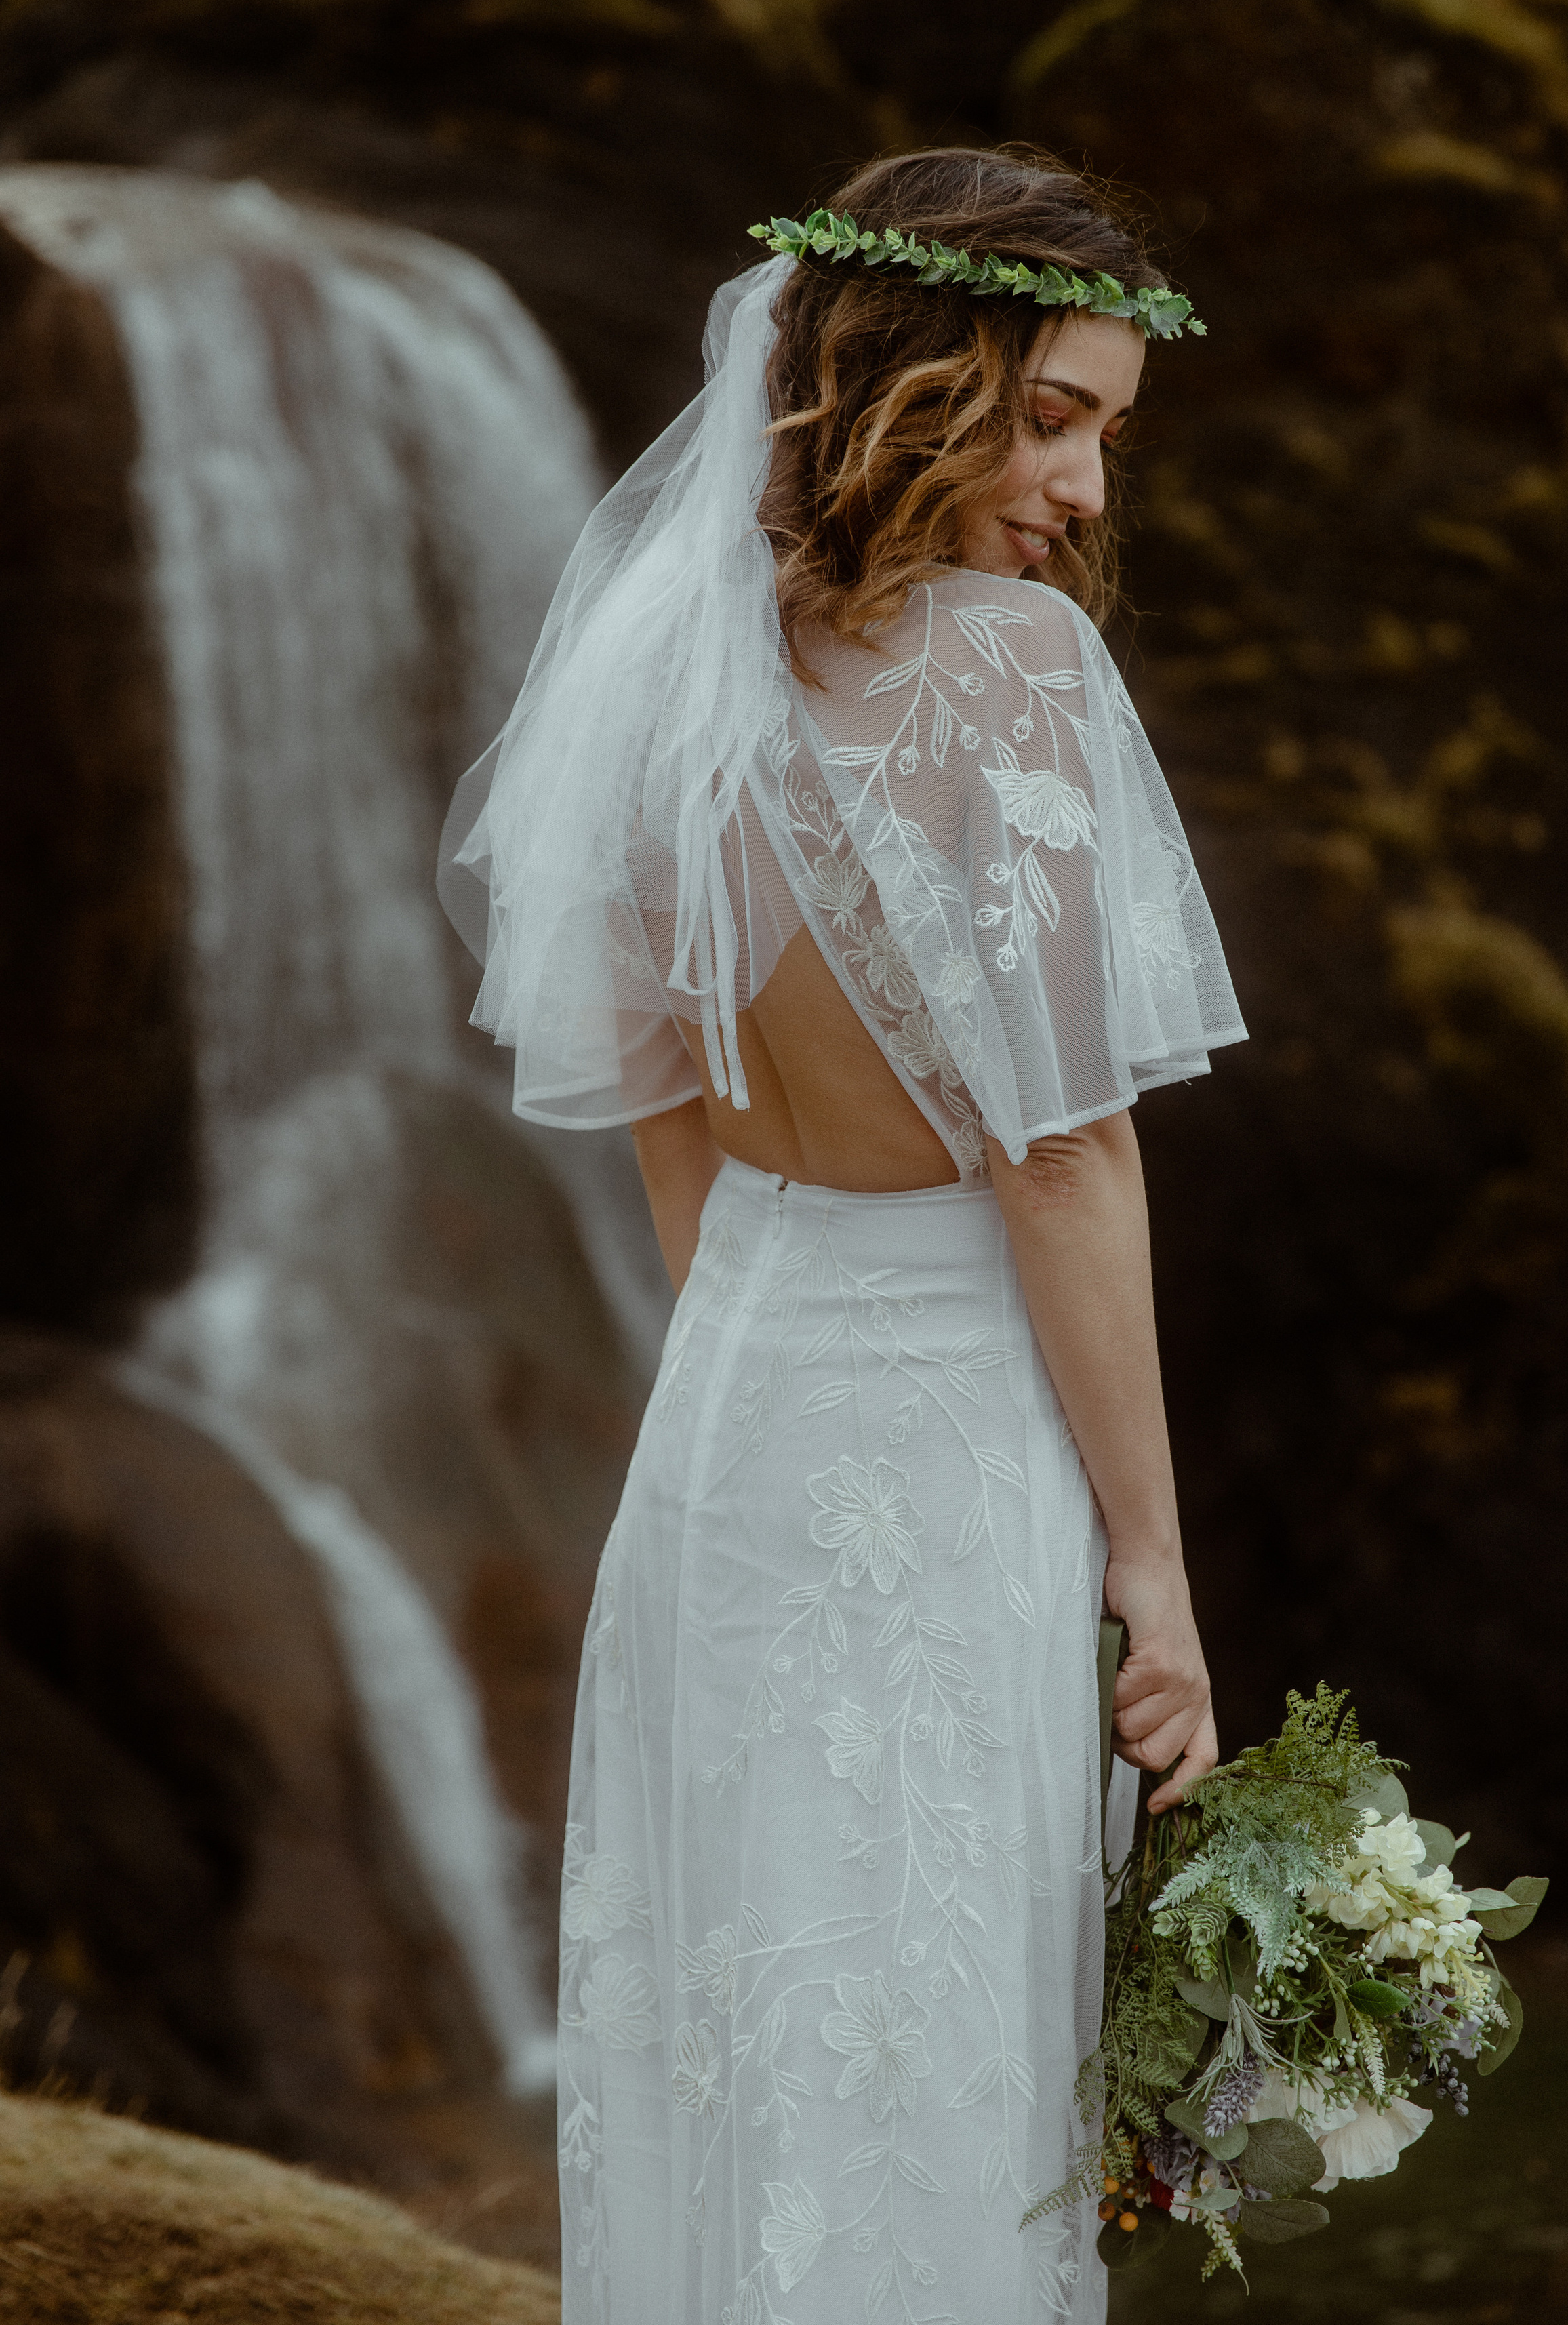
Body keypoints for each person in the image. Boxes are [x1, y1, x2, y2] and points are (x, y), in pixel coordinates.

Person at [440, 147, 1246, 2323]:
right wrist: (1154, 1571)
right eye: (1055, 416)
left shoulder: (643, 674)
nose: (1083, 490)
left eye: (1103, 433)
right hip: (953, 1433)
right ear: (921, 378)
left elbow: (672, 1129)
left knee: (738, 2025)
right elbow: (1065, 1162)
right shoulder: (1014, 680)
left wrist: (764, 1361)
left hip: (730, 1429)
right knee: (934, 2034)